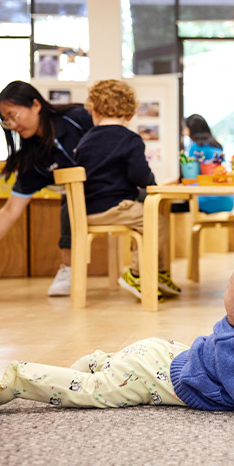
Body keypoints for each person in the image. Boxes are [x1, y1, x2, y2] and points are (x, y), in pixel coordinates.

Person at [0, 258, 234, 415]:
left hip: (167, 354)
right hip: (150, 374)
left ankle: (100, 359)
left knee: (102, 373)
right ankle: (19, 377)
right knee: (95, 394)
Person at [0, 80, 93, 296]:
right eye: (6, 121)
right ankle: (68, 270)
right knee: (72, 194)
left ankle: (146, 271)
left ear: (36, 105)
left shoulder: (76, 117)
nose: (13, 125)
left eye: (14, 115)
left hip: (114, 188)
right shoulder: (34, 160)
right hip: (80, 199)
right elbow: (10, 210)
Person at [74, 79, 180, 301]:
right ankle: (138, 274)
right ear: (130, 113)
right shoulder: (130, 139)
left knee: (148, 217)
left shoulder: (85, 140)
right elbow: (140, 176)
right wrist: (151, 181)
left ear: (94, 109)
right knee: (156, 220)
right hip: (114, 207)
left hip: (88, 210)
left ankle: (155, 273)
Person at [183, 113, 234, 214]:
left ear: (191, 129)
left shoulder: (195, 147)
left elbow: (192, 176)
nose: (184, 131)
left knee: (173, 206)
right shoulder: (217, 146)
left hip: (208, 199)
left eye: (185, 127)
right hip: (228, 199)